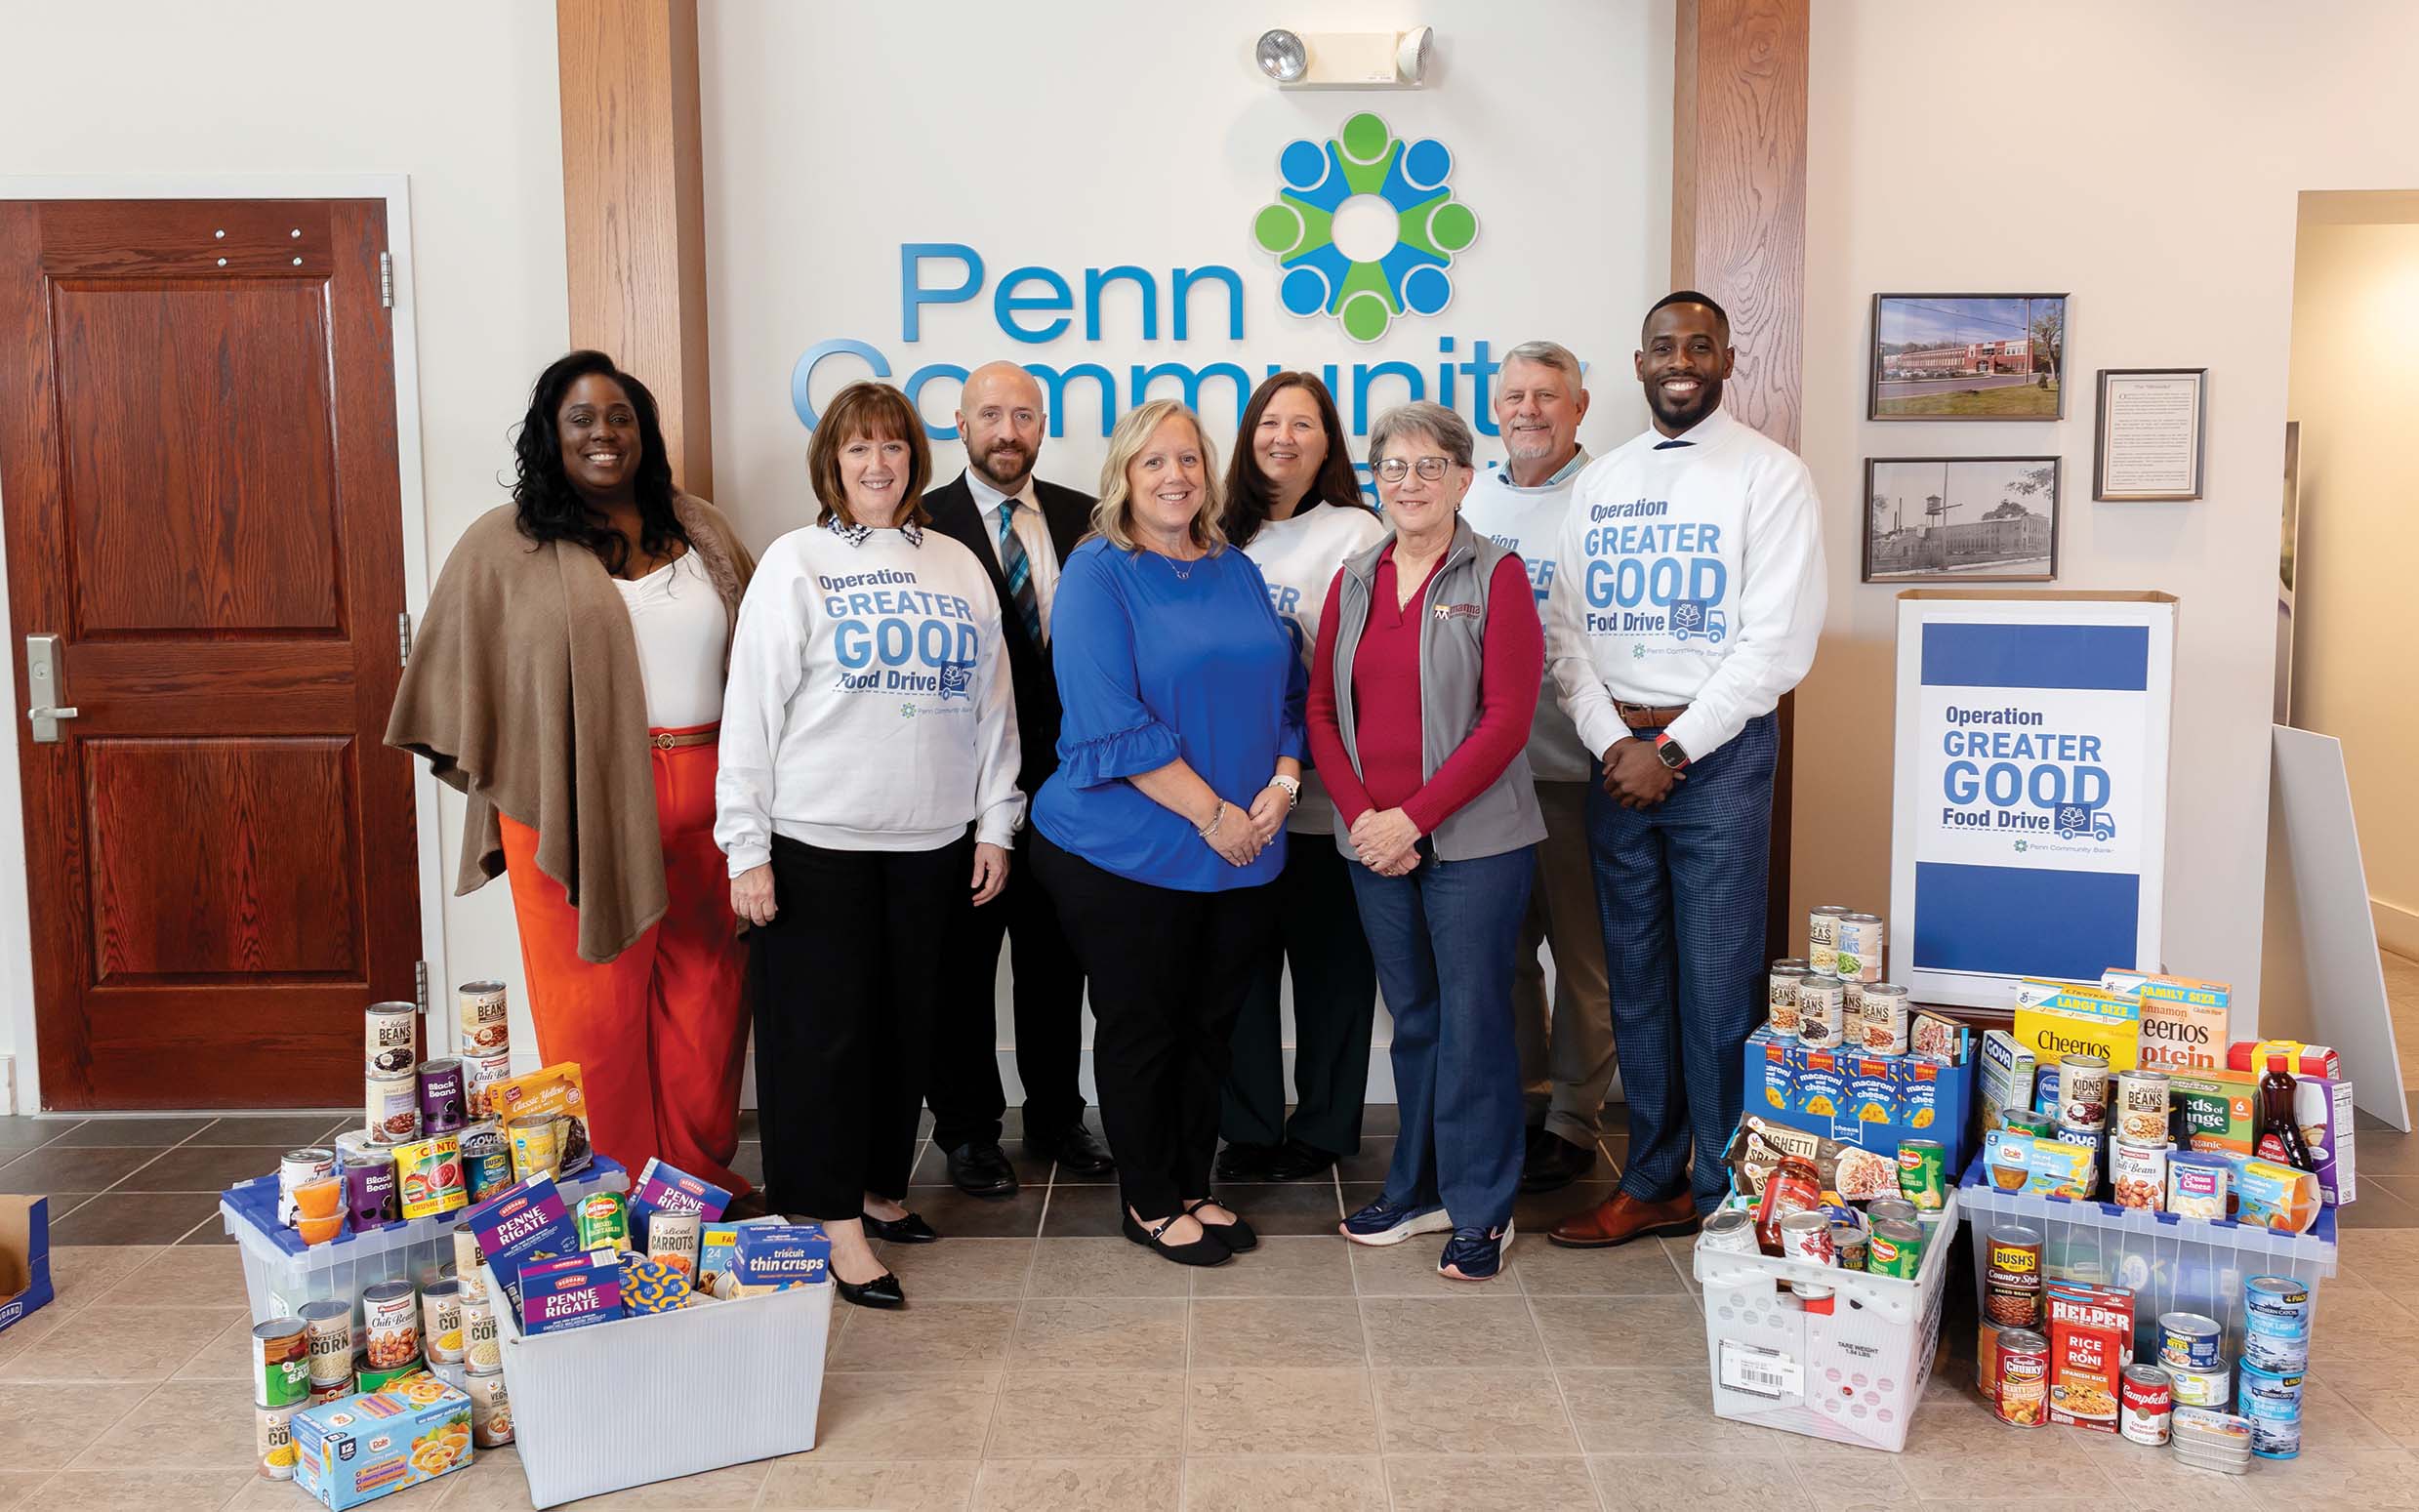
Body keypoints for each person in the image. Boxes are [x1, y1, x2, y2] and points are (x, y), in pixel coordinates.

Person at [388, 350, 760, 1210]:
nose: (604, 434)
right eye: (582, 419)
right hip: (576, 802)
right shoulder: (506, 540)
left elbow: (761, 645)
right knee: (593, 1017)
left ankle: (695, 1189)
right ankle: (616, 1200)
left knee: (708, 1011)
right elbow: (462, 675)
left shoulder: (697, 524)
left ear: (643, 429)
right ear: (550, 435)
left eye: (620, 417)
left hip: (711, 793)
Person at [716, 380, 1024, 1308]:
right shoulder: (795, 560)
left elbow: (994, 708)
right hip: (816, 842)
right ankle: (831, 1222)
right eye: (858, 449)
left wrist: (996, 821)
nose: (878, 463)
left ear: (915, 458)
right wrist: (747, 846)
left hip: (932, 842)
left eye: (892, 446)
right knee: (824, 1041)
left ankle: (880, 1189)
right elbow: (750, 711)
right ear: (832, 463)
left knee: (905, 1032)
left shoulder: (960, 566)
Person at [1542, 292, 1825, 1248]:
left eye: (1699, 345)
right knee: (1637, 979)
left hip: (1716, 758)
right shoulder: (1603, 481)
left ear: (1727, 360)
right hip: (1618, 760)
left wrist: (1671, 751)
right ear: (1637, 362)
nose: (1681, 359)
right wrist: (1612, 740)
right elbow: (1567, 634)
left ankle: (1722, 1192)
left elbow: (1774, 647)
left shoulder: (1770, 476)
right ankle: (1654, 1177)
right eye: (1664, 345)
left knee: (1716, 983)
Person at [1029, 398, 1304, 1268]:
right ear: (1123, 476)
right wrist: (1216, 815)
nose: (1175, 476)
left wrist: (1285, 783)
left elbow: (1288, 691)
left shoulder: (1234, 568)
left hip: (1244, 848)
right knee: (1146, 1026)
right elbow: (1111, 722)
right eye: (1154, 462)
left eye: (1188, 460)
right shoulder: (1098, 572)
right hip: (1125, 849)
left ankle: (1192, 1183)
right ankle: (1148, 1199)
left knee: (1209, 1027)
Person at [1313, 401, 1545, 1283]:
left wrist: (1414, 818)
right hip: (1373, 844)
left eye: (1427, 466)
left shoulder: (1498, 576)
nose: (1408, 482)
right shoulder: (1356, 578)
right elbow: (1322, 711)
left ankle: (1484, 1208)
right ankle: (1415, 1189)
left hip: (1476, 846)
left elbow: (1505, 721)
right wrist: (1369, 820)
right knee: (1414, 1022)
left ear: (1461, 477)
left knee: (1475, 1022)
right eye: (1393, 466)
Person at [921, 361, 1116, 1197]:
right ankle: (968, 1132)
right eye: (990, 415)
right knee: (960, 970)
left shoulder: (1088, 520)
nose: (1009, 431)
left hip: (1072, 791)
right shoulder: (918, 522)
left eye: (1025, 416)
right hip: (957, 794)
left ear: (1043, 427)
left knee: (1056, 964)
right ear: (959, 428)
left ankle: (1057, 1118)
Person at [1214, 372, 1389, 1184]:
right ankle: (1247, 1128)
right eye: (1269, 423)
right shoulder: (1218, 532)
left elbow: (1367, 667)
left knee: (1332, 976)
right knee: (1243, 975)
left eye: (1304, 425)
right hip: (1234, 804)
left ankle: (1323, 1128)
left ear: (1329, 443)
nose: (1283, 438)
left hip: (1326, 799)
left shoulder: (1356, 531)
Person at [1457, 341, 1618, 1194]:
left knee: (1584, 958)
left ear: (1580, 407)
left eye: (1547, 396)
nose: (1529, 410)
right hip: (1483, 777)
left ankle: (1573, 1120)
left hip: (1575, 773)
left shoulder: (1612, 496)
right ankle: (1524, 1105)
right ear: (1495, 407)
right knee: (1507, 955)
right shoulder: (1469, 496)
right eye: (1515, 395)